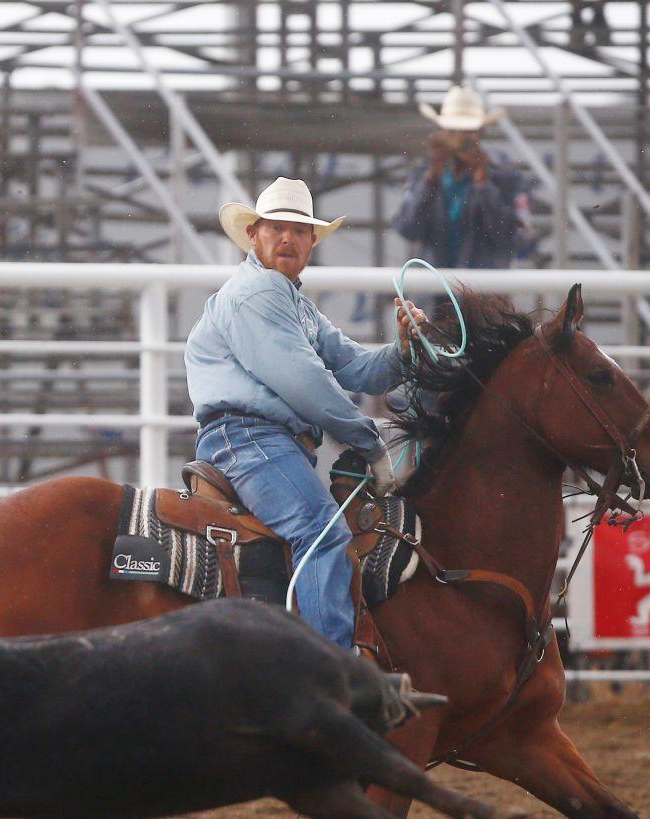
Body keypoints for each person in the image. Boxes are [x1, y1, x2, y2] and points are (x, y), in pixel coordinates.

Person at [188, 177, 424, 652]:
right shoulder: (260, 295)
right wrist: (368, 440)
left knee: (317, 529)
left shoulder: (293, 303)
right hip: (249, 440)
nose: (288, 238)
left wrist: (401, 350)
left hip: (258, 442)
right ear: (254, 234)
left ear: (312, 242)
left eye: (299, 230)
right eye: (277, 227)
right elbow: (304, 382)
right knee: (320, 531)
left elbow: (358, 368)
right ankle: (332, 672)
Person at [392, 85, 531, 270]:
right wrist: (431, 178)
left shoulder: (507, 179)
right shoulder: (423, 175)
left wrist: (483, 183)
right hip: (433, 291)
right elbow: (407, 229)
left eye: (467, 132)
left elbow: (514, 237)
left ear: (480, 133)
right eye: (454, 131)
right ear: (443, 134)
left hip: (483, 293)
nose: (460, 139)